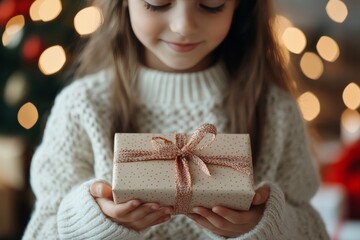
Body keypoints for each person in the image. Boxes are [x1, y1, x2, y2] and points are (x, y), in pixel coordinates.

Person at [23, 0, 329, 239]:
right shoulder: (81, 107)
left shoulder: (275, 111)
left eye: (211, 4)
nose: (184, 25)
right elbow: (41, 230)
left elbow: (313, 229)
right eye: (158, 3)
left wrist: (268, 226)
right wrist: (90, 222)